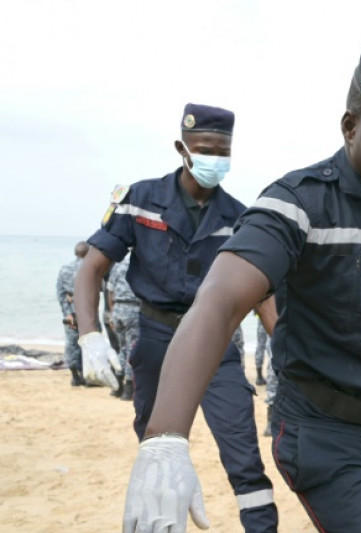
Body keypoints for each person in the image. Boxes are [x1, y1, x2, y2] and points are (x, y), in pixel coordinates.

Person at [119, 44, 361, 533]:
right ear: (349, 127)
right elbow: (219, 300)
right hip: (324, 433)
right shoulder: (300, 205)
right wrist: (165, 435)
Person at [73, 103, 279, 532]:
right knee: (156, 450)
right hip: (155, 340)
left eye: (223, 152)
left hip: (217, 345)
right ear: (181, 148)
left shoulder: (241, 218)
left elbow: (262, 296)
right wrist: (89, 336)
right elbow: (92, 268)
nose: (214, 160)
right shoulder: (140, 200)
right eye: (205, 149)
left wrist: (287, 347)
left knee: (243, 453)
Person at [106, 256, 140, 400]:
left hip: (118, 308)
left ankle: (117, 385)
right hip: (134, 309)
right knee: (132, 350)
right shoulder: (143, 264)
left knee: (122, 348)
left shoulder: (118, 265)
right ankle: (128, 388)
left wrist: (112, 311)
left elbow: (110, 291)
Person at [56, 241, 89, 386]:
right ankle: (87, 375)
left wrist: (67, 313)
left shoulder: (64, 269)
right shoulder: (89, 268)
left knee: (71, 343)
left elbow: (61, 294)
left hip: (71, 311)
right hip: (87, 311)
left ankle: (75, 376)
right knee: (89, 342)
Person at [254, 315, 269, 386]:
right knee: (272, 347)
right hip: (271, 316)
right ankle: (270, 378)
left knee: (260, 345)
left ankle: (259, 377)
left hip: (261, 317)